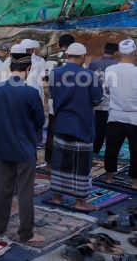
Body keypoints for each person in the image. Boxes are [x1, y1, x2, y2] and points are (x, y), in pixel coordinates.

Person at [0, 53, 45, 243]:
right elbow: (40, 121)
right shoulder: (30, 93)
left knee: (3, 190)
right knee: (25, 192)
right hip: (24, 149)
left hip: (3, 147)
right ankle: (25, 233)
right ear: (28, 70)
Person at [49, 42, 103, 211]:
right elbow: (97, 100)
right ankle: (80, 201)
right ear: (82, 58)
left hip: (62, 122)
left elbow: (53, 94)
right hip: (82, 124)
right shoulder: (89, 76)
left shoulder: (55, 73)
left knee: (60, 161)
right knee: (81, 164)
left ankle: (57, 197)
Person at [104, 40, 137, 188]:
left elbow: (107, 91)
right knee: (135, 150)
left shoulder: (110, 70)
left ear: (118, 53)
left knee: (112, 147)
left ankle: (109, 177)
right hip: (134, 117)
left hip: (115, 115)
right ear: (134, 54)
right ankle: (135, 182)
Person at [45, 34, 75, 168]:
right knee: (68, 133)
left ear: (59, 45)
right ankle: (65, 162)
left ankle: (49, 163)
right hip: (70, 102)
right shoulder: (76, 59)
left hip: (54, 102)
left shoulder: (50, 58)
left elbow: (46, 79)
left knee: (52, 133)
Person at [89, 42, 119, 153]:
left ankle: (94, 150)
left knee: (97, 127)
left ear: (103, 50)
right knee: (111, 130)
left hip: (96, 102)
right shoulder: (117, 65)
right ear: (116, 52)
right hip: (111, 103)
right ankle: (107, 152)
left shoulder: (93, 64)